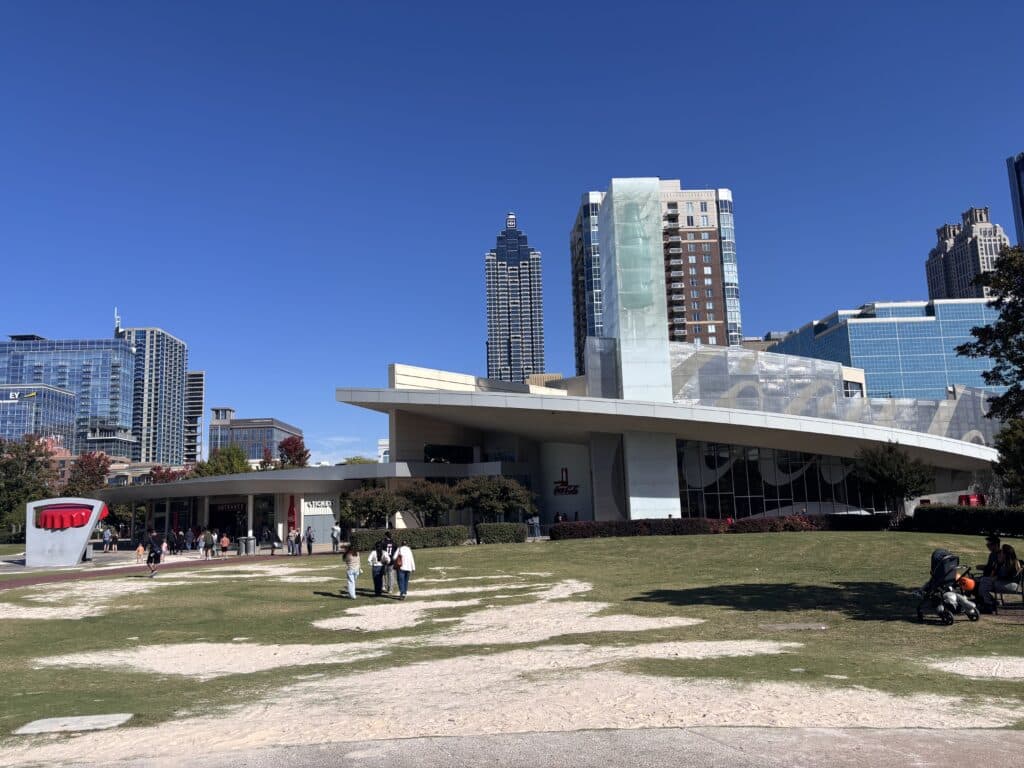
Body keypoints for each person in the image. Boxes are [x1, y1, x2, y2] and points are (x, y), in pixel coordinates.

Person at [978, 544, 1022, 612]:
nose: (1000, 553)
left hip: (1013, 585)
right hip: (1002, 583)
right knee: (983, 582)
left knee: (984, 582)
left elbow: (1012, 576)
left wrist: (997, 577)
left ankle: (989, 604)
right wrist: (999, 563)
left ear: (1006, 554)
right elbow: (994, 574)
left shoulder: (1015, 562)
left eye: (1002, 552)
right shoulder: (1003, 562)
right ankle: (989, 603)